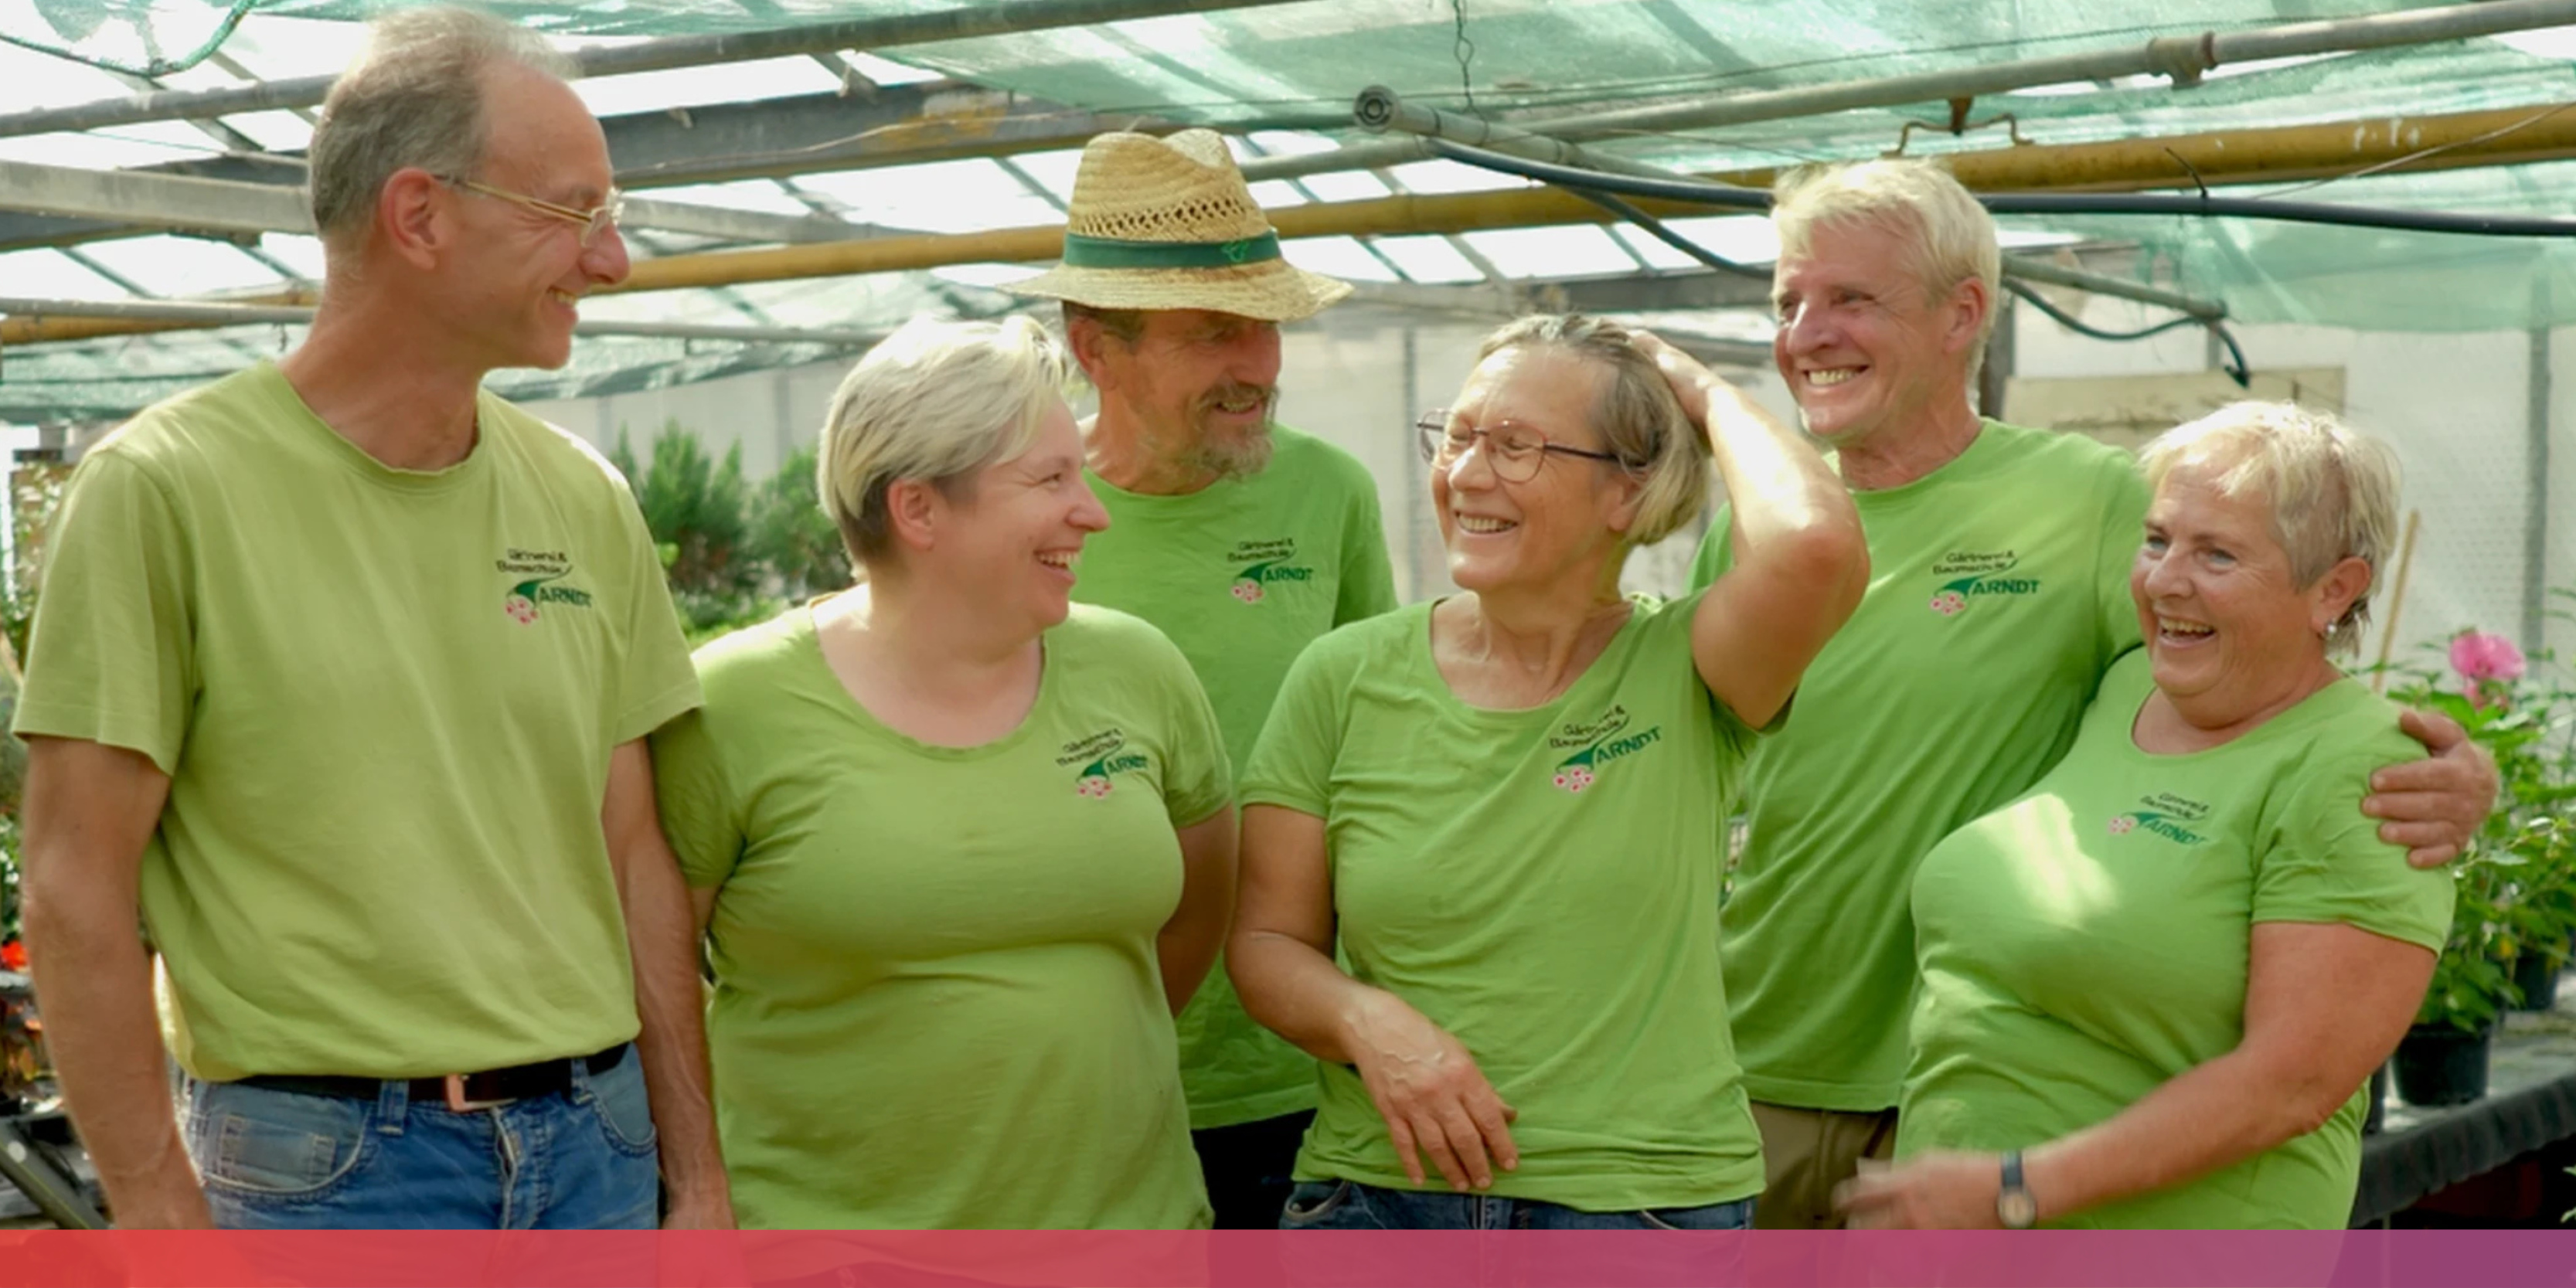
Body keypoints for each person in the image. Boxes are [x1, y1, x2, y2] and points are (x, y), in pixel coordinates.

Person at [12, 8, 727, 1229]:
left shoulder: (583, 497)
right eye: (575, 213)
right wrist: (160, 1220)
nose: (612, 261)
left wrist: (697, 1179)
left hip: (597, 1151)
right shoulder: (164, 489)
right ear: (421, 215)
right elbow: (76, 888)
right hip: (332, 1179)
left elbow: (634, 857)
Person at [1687, 159, 2498, 1229]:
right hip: (1763, 1060)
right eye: (1788, 301)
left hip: (1972, 1078)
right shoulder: (1757, 534)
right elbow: (1677, 769)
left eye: (1851, 298)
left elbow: (2274, 662)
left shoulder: (2092, 502)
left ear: (1961, 313)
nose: (1807, 333)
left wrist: (2454, 777)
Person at [1229, 314, 1867, 1229]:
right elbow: (1266, 942)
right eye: (1457, 436)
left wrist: (1697, 386)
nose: (1465, 473)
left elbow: (1815, 544)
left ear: (1628, 491)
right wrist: (1369, 1022)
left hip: (1637, 1208)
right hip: (1376, 1198)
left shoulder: (1691, 662)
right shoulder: (1343, 674)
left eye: (1517, 445)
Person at [650, 315, 1236, 1229]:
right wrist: (696, 1186)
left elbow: (1200, 912)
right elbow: (652, 970)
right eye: (1049, 479)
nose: (1093, 512)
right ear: (918, 508)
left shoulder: (1139, 668)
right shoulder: (733, 703)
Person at [1841, 403, 2449, 1229]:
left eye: (2217, 553)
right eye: (2158, 539)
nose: (2165, 580)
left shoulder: (2363, 771)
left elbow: (2291, 1084)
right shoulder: (2127, 685)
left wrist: (2016, 1184)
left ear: (2333, 589)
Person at [1007, 127, 1399, 1227]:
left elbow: (1383, 751)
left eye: (1266, 328)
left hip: (1296, 1065)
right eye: (1215, 333)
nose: (1259, 367)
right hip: (1079, 1070)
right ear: (1096, 348)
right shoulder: (1016, 512)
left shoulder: (1329, 492)